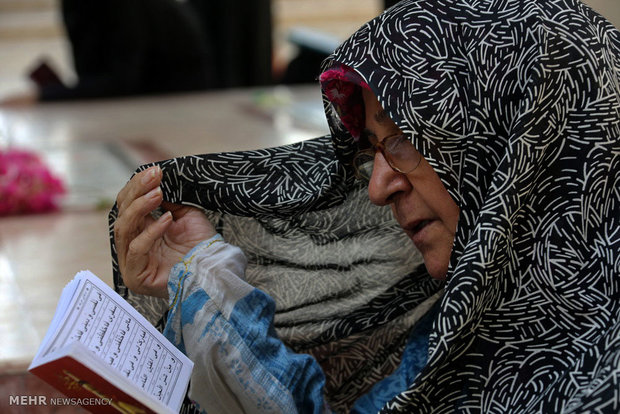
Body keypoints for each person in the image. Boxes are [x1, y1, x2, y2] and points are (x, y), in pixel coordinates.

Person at [111, 0, 619, 412]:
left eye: (402, 140)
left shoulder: (597, 382)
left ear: (511, 144)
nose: (378, 188)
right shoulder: (469, 327)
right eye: (373, 150)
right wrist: (203, 274)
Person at [2, 0, 213, 105]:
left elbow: (121, 83)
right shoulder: (74, 5)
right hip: (138, 93)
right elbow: (90, 72)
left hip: (175, 98)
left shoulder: (123, 7)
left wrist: (44, 96)